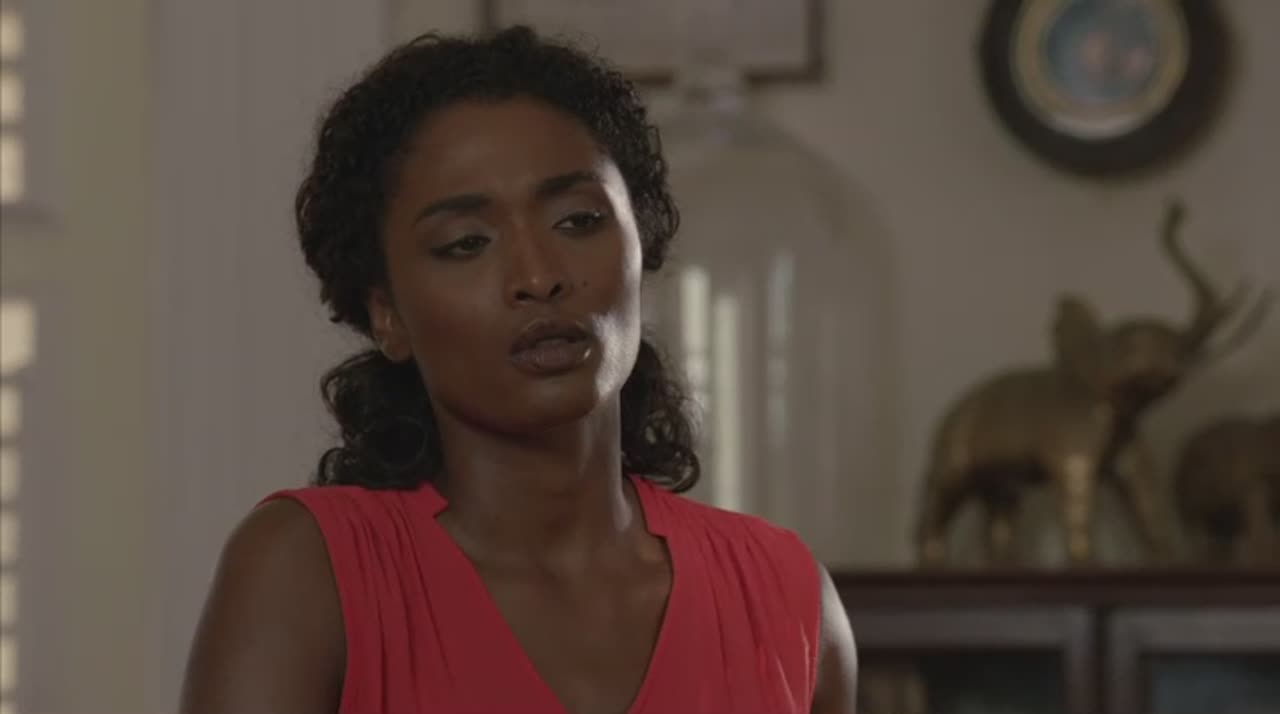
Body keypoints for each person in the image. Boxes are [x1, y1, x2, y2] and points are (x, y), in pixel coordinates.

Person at [179, 25, 858, 714]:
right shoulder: (305, 574)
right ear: (387, 315)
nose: (538, 276)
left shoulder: (790, 600)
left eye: (578, 221)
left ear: (642, 243)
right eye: (466, 243)